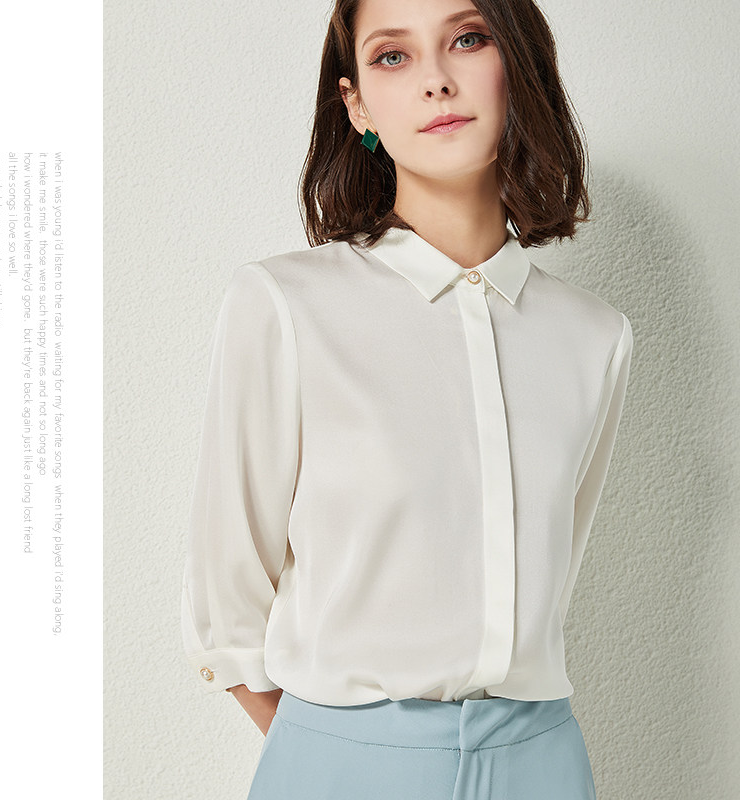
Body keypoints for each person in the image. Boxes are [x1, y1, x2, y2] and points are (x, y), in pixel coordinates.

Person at [180, 0, 634, 796]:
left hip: (543, 763)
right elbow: (227, 605)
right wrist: (343, 753)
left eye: (468, 38)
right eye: (393, 55)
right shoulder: (285, 306)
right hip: (344, 763)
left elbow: (550, 584)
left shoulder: (595, 337)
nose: (436, 80)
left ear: (518, 65)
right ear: (356, 104)